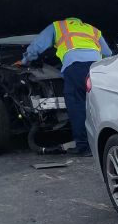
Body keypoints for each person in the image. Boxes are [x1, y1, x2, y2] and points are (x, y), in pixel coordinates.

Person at [14, 18, 112, 156]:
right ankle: (104, 144)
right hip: (97, 68)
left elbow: (37, 45)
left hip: (75, 66)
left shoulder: (58, 26)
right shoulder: (92, 29)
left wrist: (25, 61)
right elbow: (108, 53)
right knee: (97, 105)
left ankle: (83, 147)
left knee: (77, 106)